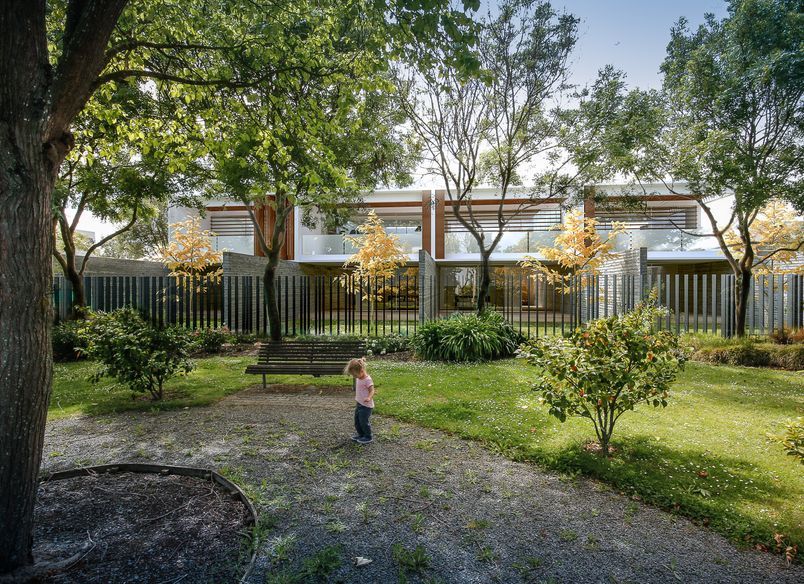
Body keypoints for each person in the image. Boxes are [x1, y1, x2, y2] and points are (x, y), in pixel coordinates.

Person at [345, 358, 374, 444]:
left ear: (361, 371)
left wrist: (369, 397)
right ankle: (361, 434)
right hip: (359, 403)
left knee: (363, 421)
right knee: (357, 421)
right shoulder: (359, 378)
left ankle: (368, 436)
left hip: (366, 406)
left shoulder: (367, 379)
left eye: (355, 375)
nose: (354, 377)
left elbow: (372, 390)